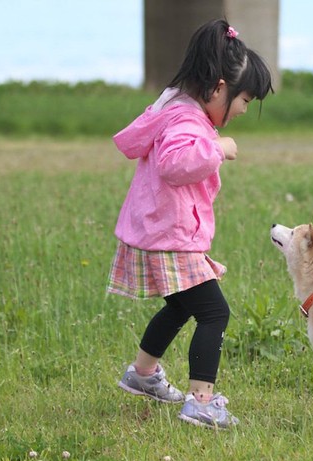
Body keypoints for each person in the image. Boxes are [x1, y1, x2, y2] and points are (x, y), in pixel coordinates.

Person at [107, 19, 273, 429]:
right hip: (171, 236)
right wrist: (216, 147)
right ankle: (202, 400)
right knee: (215, 312)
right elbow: (175, 164)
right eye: (244, 100)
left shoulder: (175, 106)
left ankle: (142, 374)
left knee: (181, 305)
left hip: (158, 231)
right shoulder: (188, 122)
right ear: (218, 89)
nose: (242, 110)